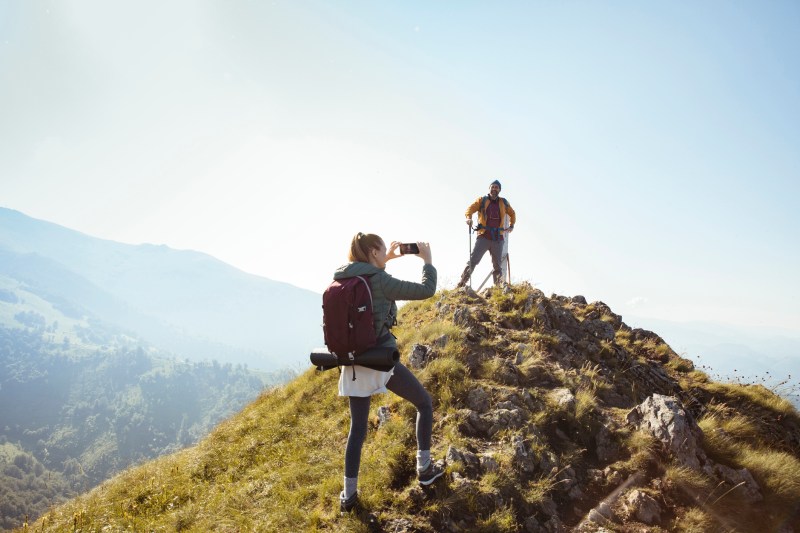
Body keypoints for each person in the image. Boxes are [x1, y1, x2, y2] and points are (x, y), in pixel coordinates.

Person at [334, 232, 445, 514]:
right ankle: (425, 468)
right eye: (383, 249)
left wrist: (385, 262)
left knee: (357, 430)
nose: (388, 252)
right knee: (424, 403)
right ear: (372, 252)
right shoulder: (379, 280)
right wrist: (427, 261)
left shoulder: (344, 277)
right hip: (380, 360)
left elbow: (371, 292)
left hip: (352, 363)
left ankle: (349, 496)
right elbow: (425, 290)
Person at [457, 179, 516, 288]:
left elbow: (512, 213)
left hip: (498, 238)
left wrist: (512, 225)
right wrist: (468, 218)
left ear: (499, 190)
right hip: (483, 236)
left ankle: (497, 289)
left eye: (496, 187)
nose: (494, 189)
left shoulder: (504, 202)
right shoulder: (482, 200)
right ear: (489, 189)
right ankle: (461, 283)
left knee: (497, 266)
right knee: (473, 260)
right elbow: (470, 209)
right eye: (492, 187)